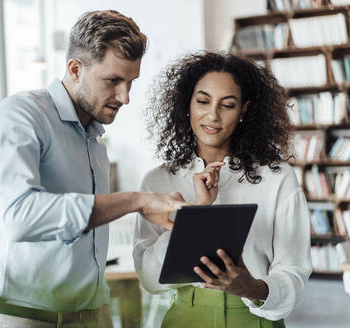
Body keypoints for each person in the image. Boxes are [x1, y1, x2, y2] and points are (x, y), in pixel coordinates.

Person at [0, 10, 186, 328]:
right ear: (75, 69)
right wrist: (137, 201)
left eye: (130, 82)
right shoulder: (20, 116)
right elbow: (20, 217)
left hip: (93, 317)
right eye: (113, 80)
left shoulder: (95, 138)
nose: (125, 97)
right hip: (26, 319)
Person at [133, 51, 312, 327]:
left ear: (244, 110)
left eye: (227, 105)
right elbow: (149, 280)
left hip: (254, 317)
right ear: (187, 104)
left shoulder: (277, 177)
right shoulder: (158, 181)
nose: (212, 115)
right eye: (203, 101)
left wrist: (251, 287)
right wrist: (197, 214)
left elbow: (294, 272)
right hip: (186, 317)